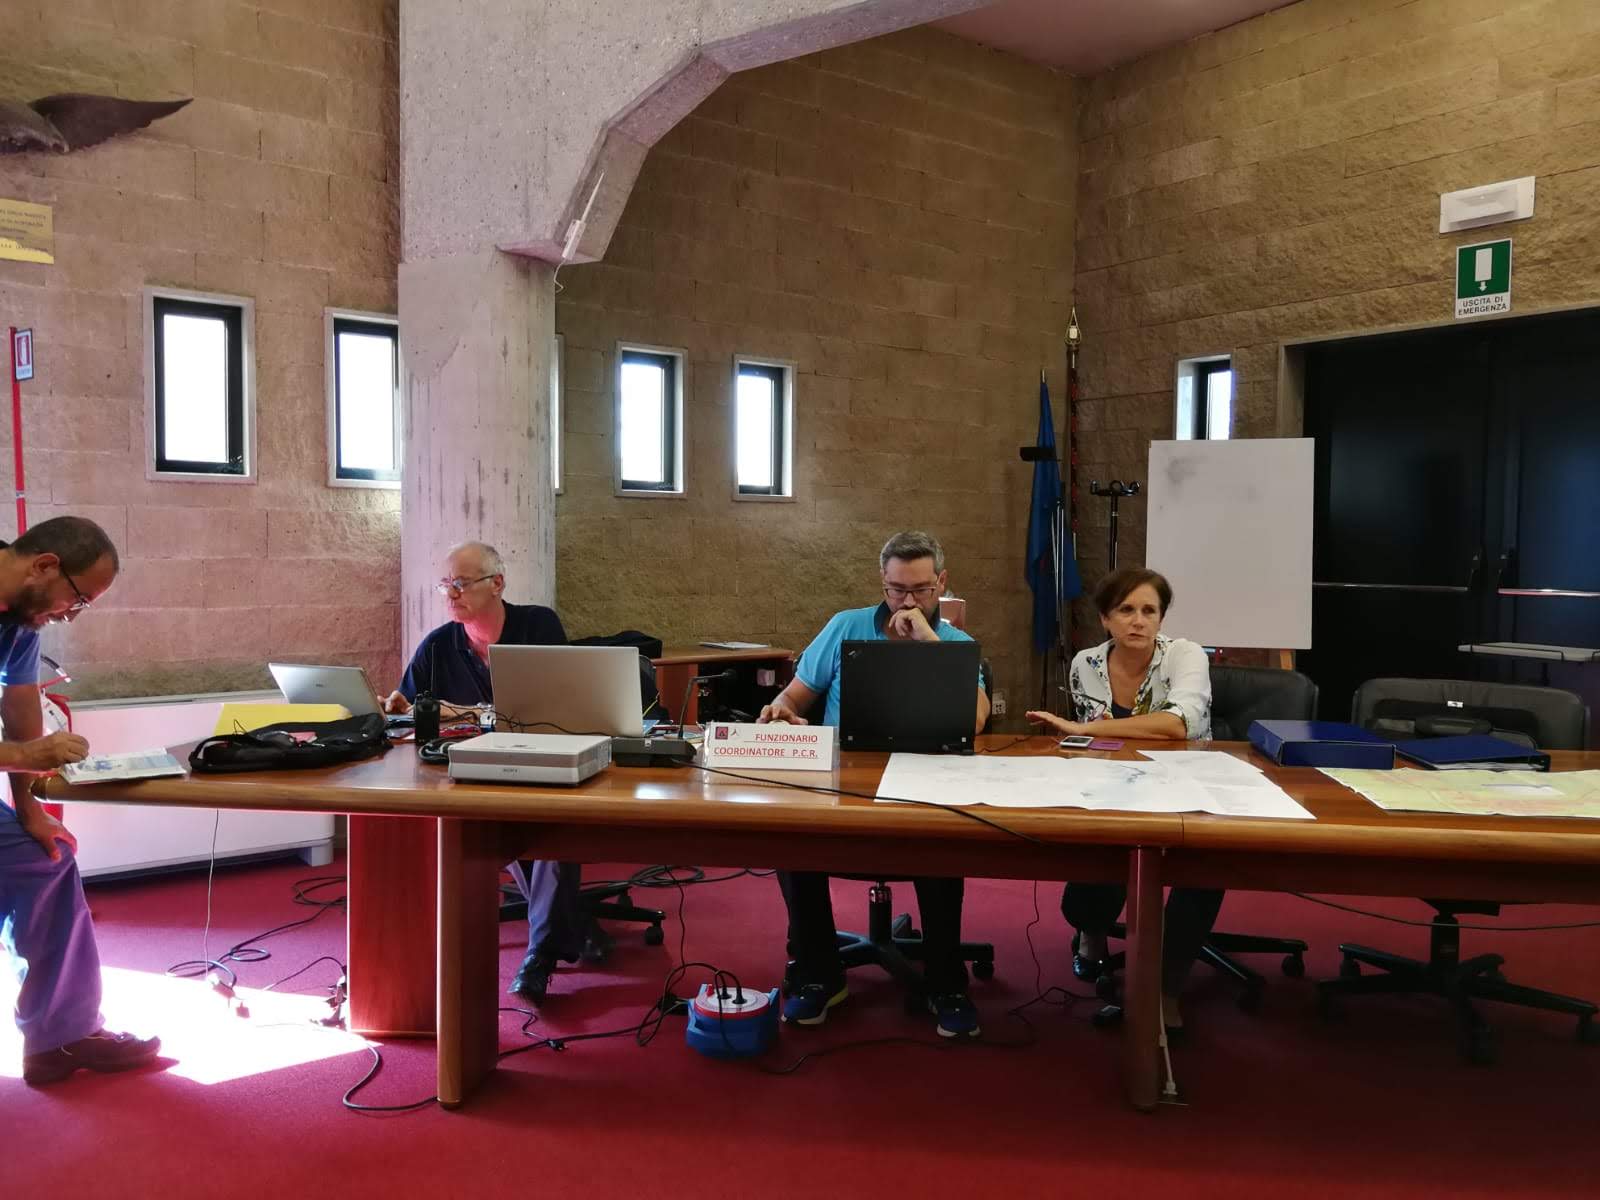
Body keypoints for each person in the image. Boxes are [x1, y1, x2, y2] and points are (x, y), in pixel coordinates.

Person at [758, 530, 990, 1038]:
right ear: (882, 582)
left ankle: (946, 983)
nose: (907, 602)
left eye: (921, 590)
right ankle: (819, 973)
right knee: (791, 836)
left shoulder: (954, 643)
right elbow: (795, 697)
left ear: (941, 582)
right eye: (896, 589)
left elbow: (975, 719)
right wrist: (780, 710)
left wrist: (928, 642)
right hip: (847, 780)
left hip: (928, 781)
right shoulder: (846, 626)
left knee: (943, 842)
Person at [384, 541, 588, 1003]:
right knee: (487, 824)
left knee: (550, 827)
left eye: (461, 583)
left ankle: (539, 956)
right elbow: (409, 708)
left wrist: (465, 713)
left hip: (539, 764)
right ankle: (566, 924)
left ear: (497, 584)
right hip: (469, 777)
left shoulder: (538, 626)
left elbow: (556, 708)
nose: (451, 594)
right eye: (445, 585)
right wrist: (398, 708)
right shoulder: (439, 645)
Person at [0, 516, 162, 1085]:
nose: (71, 615)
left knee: (44, 857)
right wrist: (24, 755)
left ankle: (60, 1038)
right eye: (78, 599)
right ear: (45, 566)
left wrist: (30, 810)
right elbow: (24, 746)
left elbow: (20, 708)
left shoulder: (19, 622)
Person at [1025, 566, 1217, 1031]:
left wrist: (1087, 729)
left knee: (1204, 871)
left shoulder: (1186, 655)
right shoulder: (1086, 664)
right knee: (1099, 843)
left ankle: (1164, 991)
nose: (1138, 620)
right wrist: (1092, 736)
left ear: (1161, 617)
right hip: (1114, 784)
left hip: (1188, 786)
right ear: (1105, 619)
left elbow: (1179, 724)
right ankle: (1091, 933)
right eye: (1126, 610)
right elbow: (1099, 744)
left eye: (1150, 610)